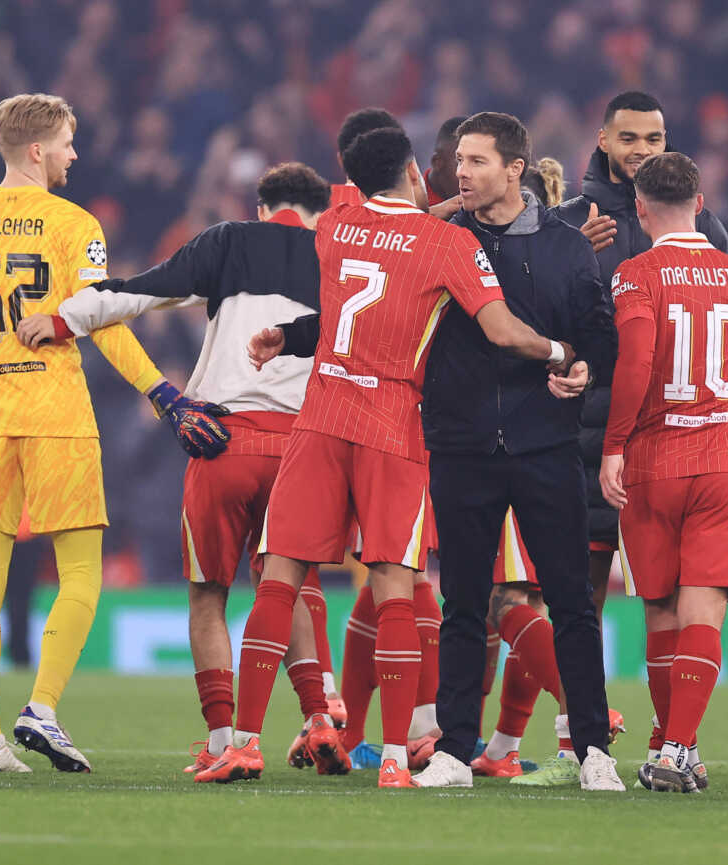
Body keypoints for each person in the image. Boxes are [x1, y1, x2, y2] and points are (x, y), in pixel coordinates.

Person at [224, 126, 570, 789]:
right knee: (395, 593)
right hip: (391, 427)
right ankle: (390, 758)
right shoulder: (447, 242)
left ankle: (242, 743)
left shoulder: (338, 223)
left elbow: (385, 224)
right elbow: (499, 330)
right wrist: (560, 352)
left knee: (278, 581)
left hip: (321, 420)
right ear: (415, 170)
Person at [0, 92, 228, 773]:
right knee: (80, 570)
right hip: (56, 415)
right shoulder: (72, 223)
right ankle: (42, 706)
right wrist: (162, 391)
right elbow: (99, 321)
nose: (76, 154)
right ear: (38, 150)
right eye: (69, 142)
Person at [18, 162, 337, 777]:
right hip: (302, 447)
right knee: (284, 585)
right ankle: (319, 718)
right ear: (319, 212)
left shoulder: (229, 240)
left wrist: (62, 319)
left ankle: (224, 744)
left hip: (224, 441)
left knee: (208, 598)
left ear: (263, 204)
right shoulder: (335, 256)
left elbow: (138, 291)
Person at [548, 91, 728, 774]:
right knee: (580, 595)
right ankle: (573, 736)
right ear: (603, 140)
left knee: (659, 598)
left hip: (664, 447)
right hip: (582, 434)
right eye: (629, 137)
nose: (641, 149)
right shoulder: (571, 220)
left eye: (654, 137)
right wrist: (567, 254)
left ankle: (672, 738)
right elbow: (531, 313)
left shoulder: (705, 226)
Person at [417, 112, 621, 791]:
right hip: (461, 445)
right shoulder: (441, 239)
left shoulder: (566, 246)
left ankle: (593, 749)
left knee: (571, 601)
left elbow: (599, 333)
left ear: (514, 169)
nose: (461, 173)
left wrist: (586, 368)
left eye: (477, 162)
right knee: (463, 604)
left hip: (545, 443)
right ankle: (454, 749)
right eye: (459, 162)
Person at [600, 152, 728, 793]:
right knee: (703, 607)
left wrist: (613, 447)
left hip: (653, 462)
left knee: (660, 611)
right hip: (724, 461)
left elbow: (635, 362)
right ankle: (678, 748)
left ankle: (672, 743)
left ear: (641, 208)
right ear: (701, 203)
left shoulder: (635, 273)